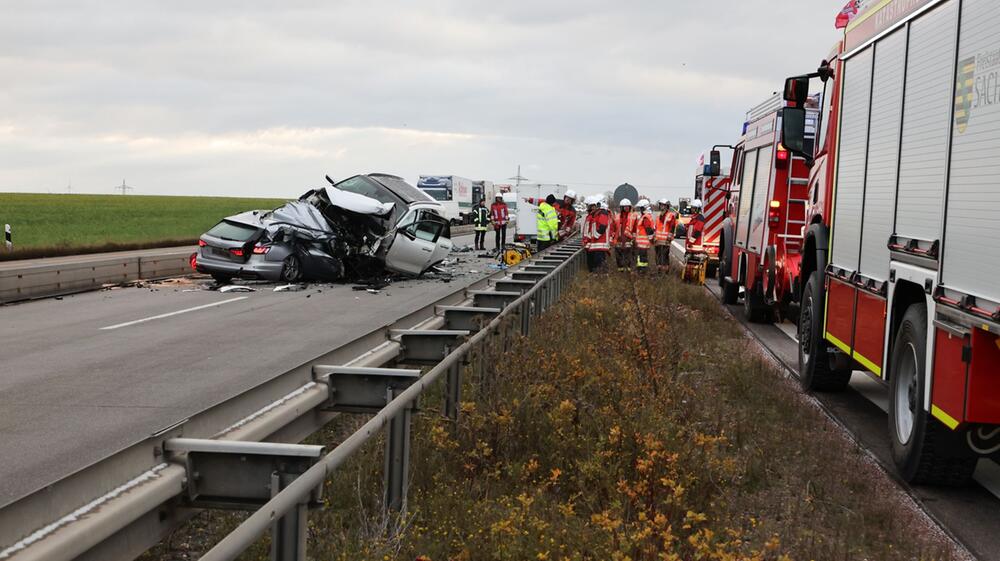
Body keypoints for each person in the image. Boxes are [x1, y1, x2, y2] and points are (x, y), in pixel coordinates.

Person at [582, 195, 611, 272]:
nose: (587, 207)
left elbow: (602, 226)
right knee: (595, 265)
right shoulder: (595, 215)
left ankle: (601, 279)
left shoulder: (602, 213)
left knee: (600, 265)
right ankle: (596, 279)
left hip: (600, 244)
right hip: (596, 244)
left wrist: (594, 237)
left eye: (588, 206)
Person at [614, 198, 637, 271]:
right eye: (625, 206)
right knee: (619, 259)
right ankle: (621, 274)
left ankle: (628, 274)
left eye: (628, 206)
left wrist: (634, 238)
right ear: (621, 207)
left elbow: (635, 229)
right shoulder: (617, 216)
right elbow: (614, 228)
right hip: (618, 241)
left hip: (628, 240)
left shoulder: (633, 216)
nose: (626, 208)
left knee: (629, 259)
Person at [654, 198, 676, 272]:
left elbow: (672, 227)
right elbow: (656, 227)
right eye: (661, 205)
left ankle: (665, 272)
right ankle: (659, 272)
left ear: (667, 206)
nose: (662, 207)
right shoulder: (658, 215)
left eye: (663, 205)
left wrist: (669, 237)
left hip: (666, 240)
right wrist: (654, 237)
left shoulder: (670, 215)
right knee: (658, 257)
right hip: (658, 240)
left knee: (664, 257)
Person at [633, 199, 655, 272]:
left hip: (643, 244)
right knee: (641, 259)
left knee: (642, 259)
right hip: (642, 243)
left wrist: (651, 240)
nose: (640, 210)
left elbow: (648, 230)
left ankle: (642, 271)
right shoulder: (645, 216)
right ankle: (642, 271)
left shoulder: (645, 217)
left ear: (644, 208)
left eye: (641, 208)